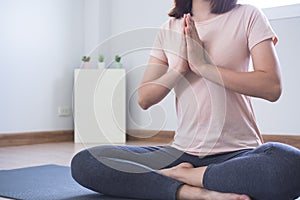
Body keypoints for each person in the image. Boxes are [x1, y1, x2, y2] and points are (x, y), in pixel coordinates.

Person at [71, 0, 300, 199]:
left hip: (239, 154)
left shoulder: (248, 15)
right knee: (86, 161)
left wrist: (204, 67)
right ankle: (191, 192)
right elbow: (144, 98)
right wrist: (179, 69)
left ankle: (187, 176)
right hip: (181, 154)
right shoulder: (168, 28)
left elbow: (271, 87)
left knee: (291, 165)